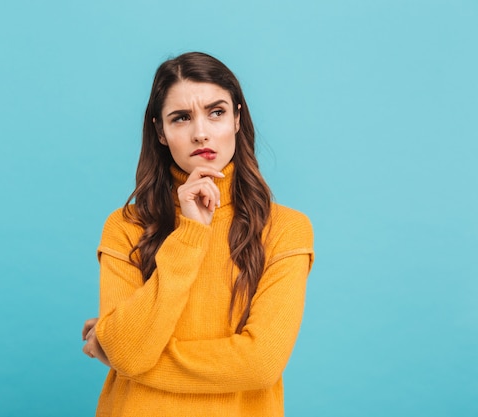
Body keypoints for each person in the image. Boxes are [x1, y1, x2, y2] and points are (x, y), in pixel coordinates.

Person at [82, 51, 314, 417]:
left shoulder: (285, 230)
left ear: (238, 118)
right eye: (181, 118)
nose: (200, 132)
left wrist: (115, 348)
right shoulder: (126, 227)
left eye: (216, 112)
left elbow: (260, 364)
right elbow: (127, 351)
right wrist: (190, 232)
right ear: (161, 131)